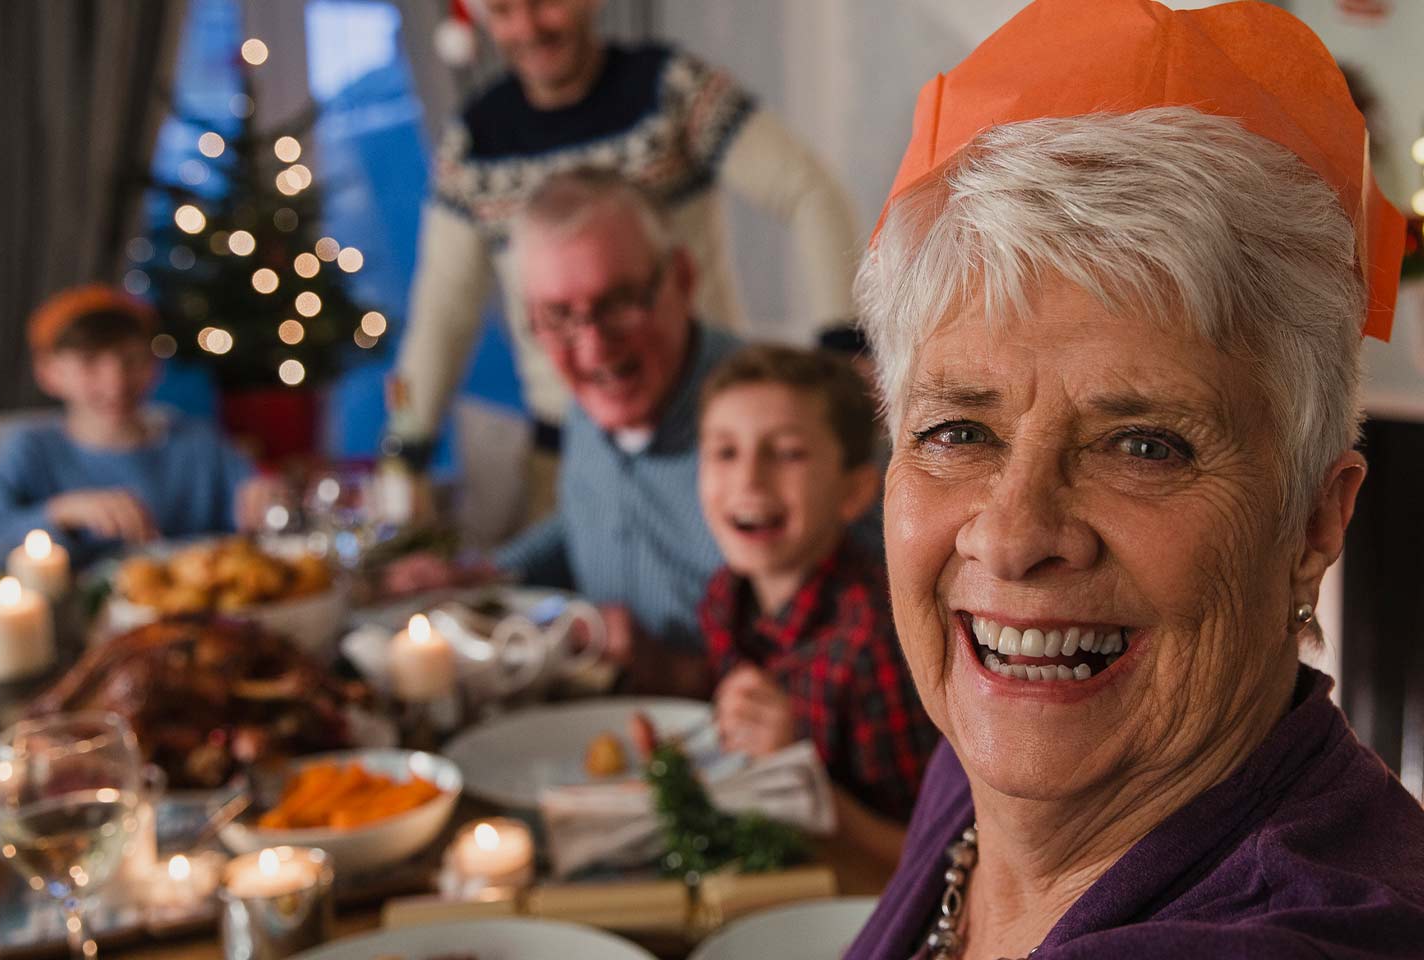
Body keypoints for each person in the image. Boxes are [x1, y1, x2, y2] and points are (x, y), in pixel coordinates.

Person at [844, 1, 1424, 958]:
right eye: (959, 430)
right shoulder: (987, 763)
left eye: (1144, 446)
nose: (1015, 533)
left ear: (1315, 525)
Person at [391, 0, 859, 514]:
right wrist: (405, 449)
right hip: (565, 450)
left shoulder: (670, 88)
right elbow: (443, 310)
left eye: (544, 3)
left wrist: (840, 351)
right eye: (503, 10)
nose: (527, 28)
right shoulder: (474, 142)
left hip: (706, 428)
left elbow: (809, 193)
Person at [695, 343, 938, 862]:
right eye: (725, 452)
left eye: (786, 453)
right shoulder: (722, 599)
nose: (748, 479)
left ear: (853, 493)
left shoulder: (876, 640)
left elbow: (932, 856)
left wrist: (792, 773)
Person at [480, 169, 740, 651]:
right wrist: (486, 574)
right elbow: (587, 517)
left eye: (620, 302)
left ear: (682, 278)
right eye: (558, 316)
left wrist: (682, 673)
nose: (595, 349)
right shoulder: (589, 406)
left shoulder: (772, 422)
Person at [0, 286, 276, 570]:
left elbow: (257, 498)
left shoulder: (197, 440)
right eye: (90, 362)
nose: (116, 382)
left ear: (155, 365)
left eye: (131, 360)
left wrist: (268, 497)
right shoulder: (29, 449)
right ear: (48, 372)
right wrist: (62, 513)